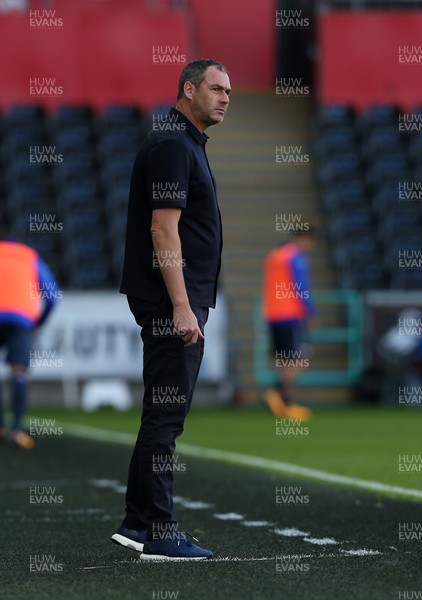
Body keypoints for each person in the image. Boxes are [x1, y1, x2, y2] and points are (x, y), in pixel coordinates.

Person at [111, 59, 231, 560]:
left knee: (160, 415)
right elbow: (163, 230)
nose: (226, 98)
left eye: (229, 91)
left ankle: (139, 523)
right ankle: (159, 532)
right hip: (170, 303)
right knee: (166, 419)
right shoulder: (172, 144)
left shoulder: (183, 143)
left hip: (176, 300)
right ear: (188, 90)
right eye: (216, 88)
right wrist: (182, 307)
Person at [0, 230, 59, 449]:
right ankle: (16, 430)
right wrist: (37, 323)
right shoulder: (28, 255)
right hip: (20, 319)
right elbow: (52, 295)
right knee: (19, 373)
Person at [262, 227, 317, 421]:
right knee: (298, 358)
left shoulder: (274, 255)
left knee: (287, 360)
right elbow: (300, 285)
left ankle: (280, 398)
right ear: (304, 238)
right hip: (291, 314)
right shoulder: (295, 257)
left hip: (273, 314)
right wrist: (310, 311)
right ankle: (281, 397)